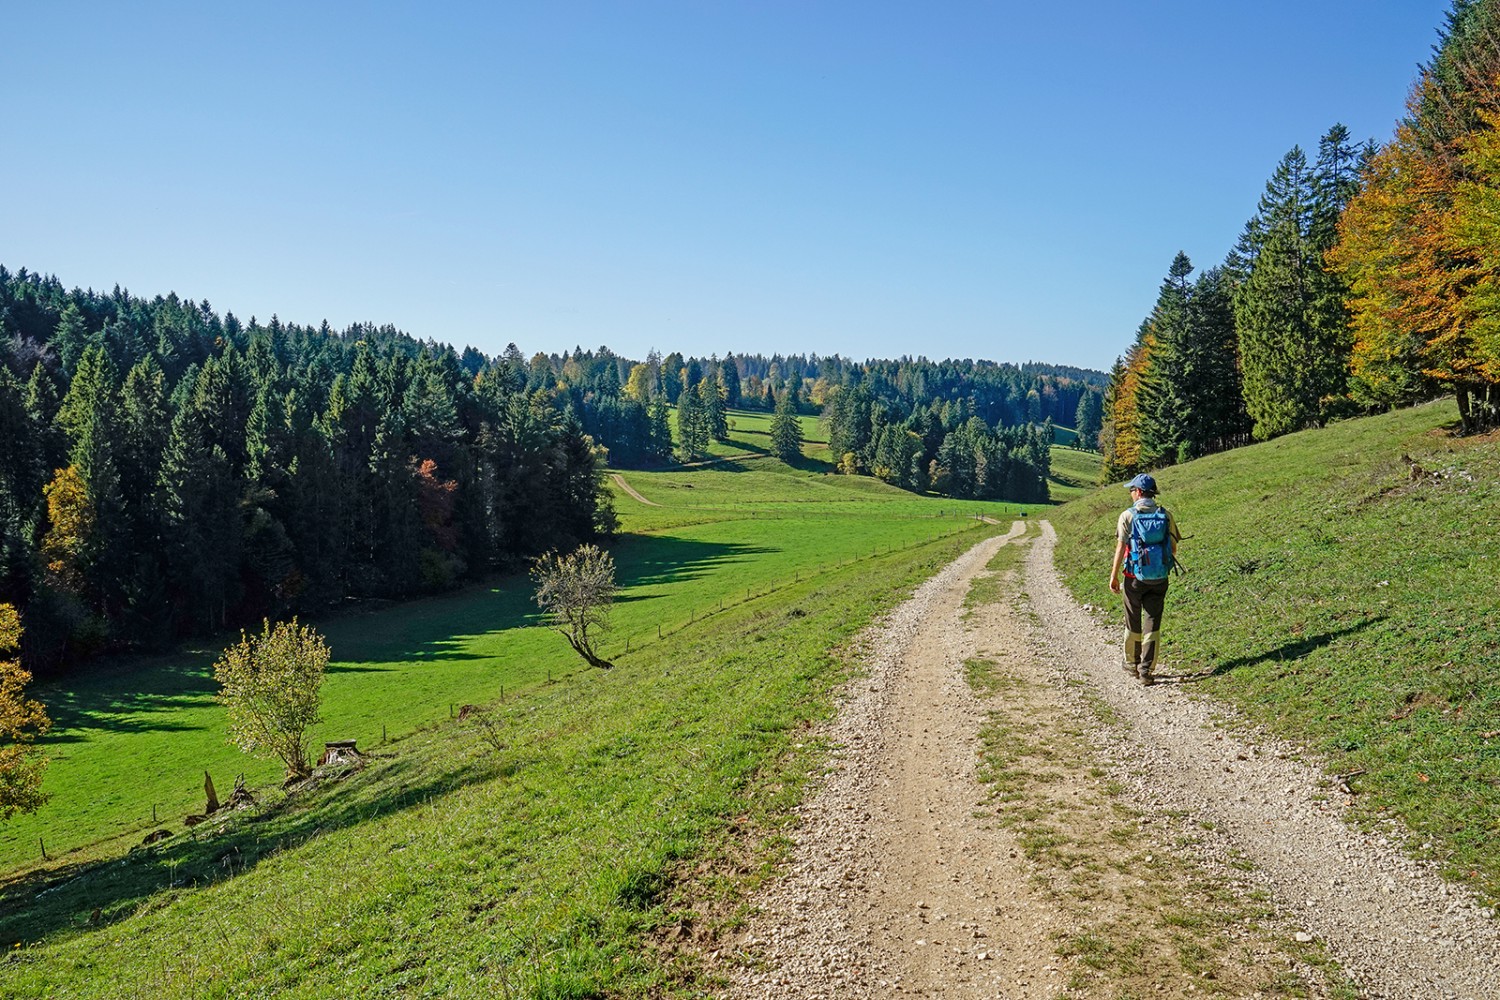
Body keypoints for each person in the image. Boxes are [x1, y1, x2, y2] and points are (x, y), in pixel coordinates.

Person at [1108, 473, 1180, 685]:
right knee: (1153, 623)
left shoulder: (1127, 516)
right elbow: (1173, 548)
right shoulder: (1165, 515)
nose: (1131, 493)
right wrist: (1159, 565)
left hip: (1133, 578)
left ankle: (1131, 664)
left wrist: (1113, 576)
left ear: (1138, 492)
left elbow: (1121, 548)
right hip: (1159, 579)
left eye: (1132, 490)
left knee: (1132, 620)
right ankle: (1146, 672)